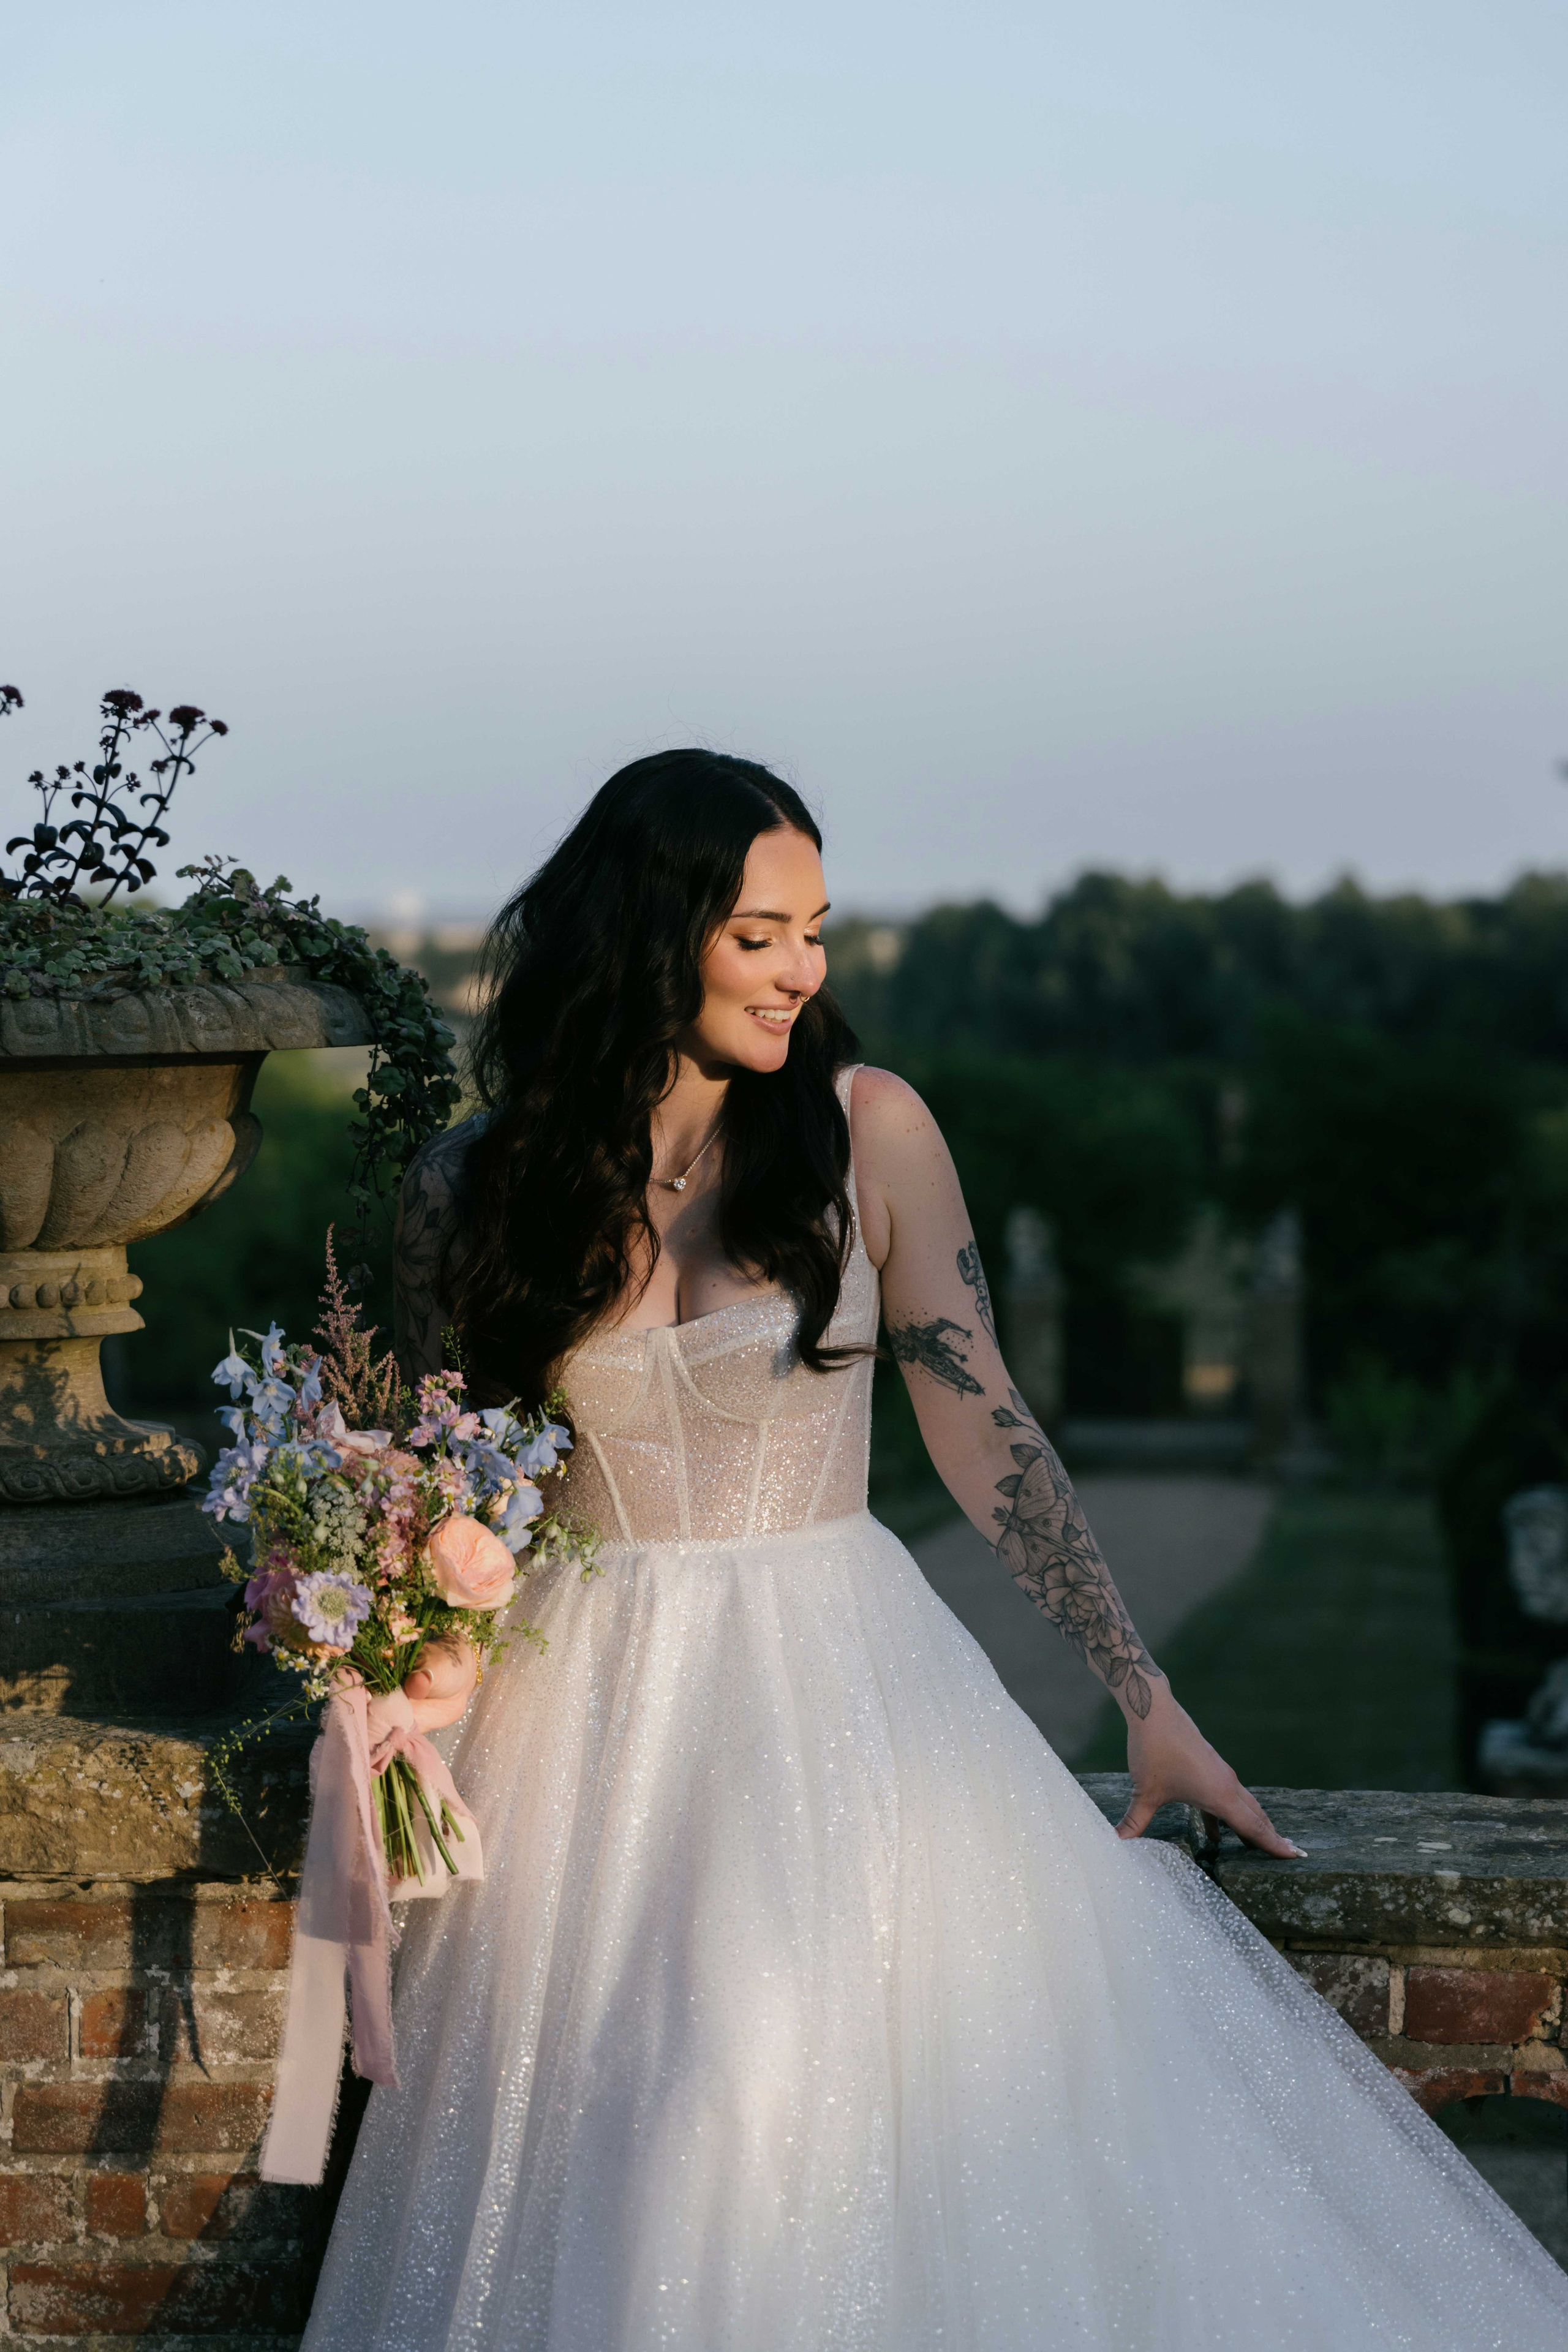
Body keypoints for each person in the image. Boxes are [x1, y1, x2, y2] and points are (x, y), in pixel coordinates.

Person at [303, 752, 1567, 2350]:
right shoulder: (470, 1184)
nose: (804, 970)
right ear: (650, 930)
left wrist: (1144, 1695)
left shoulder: (865, 1129)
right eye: (760, 934)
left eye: (817, 930)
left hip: (827, 1690)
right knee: (607, 2130)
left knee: (749, 2084)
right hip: (578, 1721)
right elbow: (442, 1489)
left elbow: (988, 1430)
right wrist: (377, 1674)